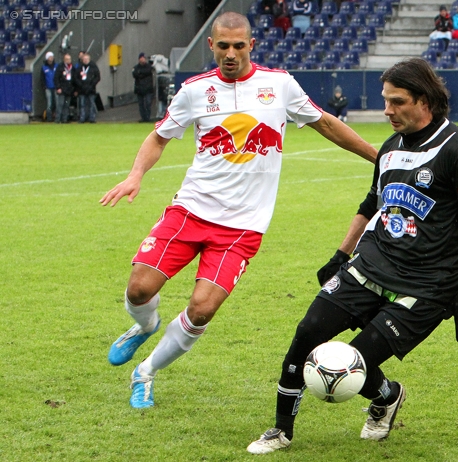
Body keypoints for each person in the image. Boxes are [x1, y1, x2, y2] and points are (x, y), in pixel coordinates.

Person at [100, 12, 377, 410]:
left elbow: (327, 124)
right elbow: (159, 137)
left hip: (243, 227)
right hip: (190, 211)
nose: (230, 54)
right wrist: (135, 175)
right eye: (223, 46)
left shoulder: (279, 85)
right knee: (139, 289)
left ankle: (144, 372)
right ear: (211, 46)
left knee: (201, 310)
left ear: (251, 45)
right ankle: (145, 324)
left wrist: (378, 157)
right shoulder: (195, 90)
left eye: (238, 45)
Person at [247, 57, 458, 454]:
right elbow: (373, 204)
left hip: (428, 284)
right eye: (386, 100)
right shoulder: (389, 148)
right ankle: (281, 430)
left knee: (355, 364)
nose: (387, 110)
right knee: (307, 334)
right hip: (370, 264)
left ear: (425, 100)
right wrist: (341, 254)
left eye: (396, 101)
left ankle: (385, 395)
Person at [74, 52, 100, 123]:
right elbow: (76, 77)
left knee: (91, 104)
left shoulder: (93, 66)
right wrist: (81, 85)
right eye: (84, 59)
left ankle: (92, 118)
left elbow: (97, 77)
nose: (85, 60)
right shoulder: (79, 67)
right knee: (82, 104)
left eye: (86, 59)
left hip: (91, 89)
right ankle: (82, 118)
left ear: (89, 59)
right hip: (82, 89)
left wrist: (91, 85)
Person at [132, 52, 155, 123]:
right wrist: (141, 73)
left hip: (148, 89)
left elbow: (147, 71)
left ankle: (147, 117)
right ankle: (143, 118)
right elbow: (135, 74)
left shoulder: (148, 67)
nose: (143, 60)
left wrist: (140, 73)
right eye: (142, 58)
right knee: (141, 105)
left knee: (148, 103)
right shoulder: (136, 67)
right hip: (139, 89)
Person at [53, 53, 74, 123]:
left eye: (69, 59)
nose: (68, 60)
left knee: (67, 105)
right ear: (64, 60)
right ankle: (57, 119)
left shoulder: (72, 67)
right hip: (61, 89)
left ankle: (64, 119)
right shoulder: (60, 67)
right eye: (67, 59)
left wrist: (73, 88)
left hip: (69, 89)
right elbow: (56, 78)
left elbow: (74, 78)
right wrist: (58, 87)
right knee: (60, 104)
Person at [41, 51, 57, 122]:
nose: (51, 58)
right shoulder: (44, 67)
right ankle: (49, 117)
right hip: (48, 87)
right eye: (50, 57)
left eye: (52, 57)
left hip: (56, 87)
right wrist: (44, 86)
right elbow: (42, 78)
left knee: (57, 102)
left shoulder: (56, 66)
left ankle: (57, 117)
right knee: (49, 103)